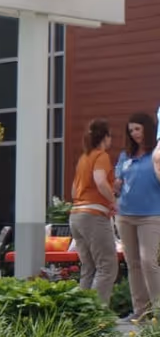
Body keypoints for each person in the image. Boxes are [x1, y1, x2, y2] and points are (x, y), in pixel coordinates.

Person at [115, 112, 160, 322]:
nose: (134, 134)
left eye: (137, 129)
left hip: (151, 215)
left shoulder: (156, 154)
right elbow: (118, 181)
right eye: (131, 130)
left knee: (149, 262)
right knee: (133, 264)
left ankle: (158, 311)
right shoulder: (125, 155)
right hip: (125, 216)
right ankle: (140, 311)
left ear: (147, 129)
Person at [69, 118, 118, 305]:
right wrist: (113, 201)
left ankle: (83, 314)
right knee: (107, 266)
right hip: (94, 215)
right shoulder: (101, 156)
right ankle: (97, 315)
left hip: (76, 216)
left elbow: (74, 191)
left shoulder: (83, 158)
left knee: (88, 267)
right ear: (105, 137)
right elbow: (99, 180)